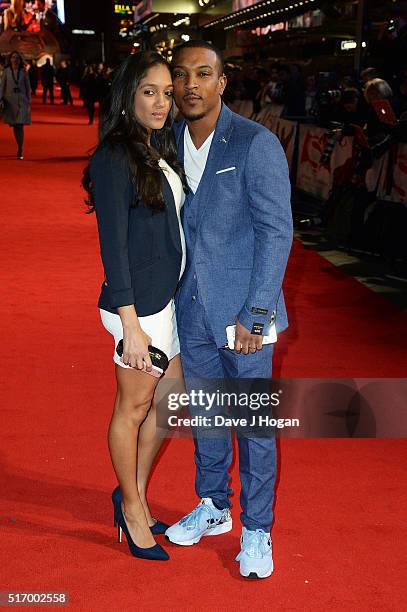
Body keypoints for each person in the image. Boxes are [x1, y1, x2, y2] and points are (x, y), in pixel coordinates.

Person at [164, 41, 293, 579]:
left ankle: (257, 529)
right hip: (188, 307)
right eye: (181, 75)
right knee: (210, 416)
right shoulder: (166, 140)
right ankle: (213, 505)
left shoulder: (255, 142)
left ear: (222, 82)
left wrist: (256, 314)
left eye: (203, 74)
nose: (191, 84)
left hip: (245, 314)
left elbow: (276, 230)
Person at [82, 52, 186, 561]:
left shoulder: (154, 148)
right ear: (127, 95)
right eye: (149, 91)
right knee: (134, 408)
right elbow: (113, 246)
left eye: (167, 92)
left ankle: (133, 494)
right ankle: (131, 510)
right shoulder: (114, 157)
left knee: (168, 403)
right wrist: (130, 326)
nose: (162, 102)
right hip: (137, 309)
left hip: (162, 302)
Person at [0, 51, 31, 159]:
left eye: (17, 57)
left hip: (22, 101)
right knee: (15, 126)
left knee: (20, 125)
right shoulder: (6, 72)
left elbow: (28, 88)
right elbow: (2, 86)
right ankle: (19, 145)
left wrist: (28, 101)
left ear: (20, 60)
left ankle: (20, 149)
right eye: (13, 57)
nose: (15, 59)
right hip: (10, 101)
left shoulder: (24, 72)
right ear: (10, 59)